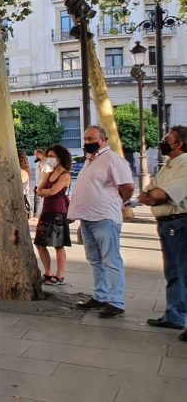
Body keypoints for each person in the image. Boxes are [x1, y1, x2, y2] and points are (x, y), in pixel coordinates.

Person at [68, 126, 134, 318]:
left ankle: (116, 301)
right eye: (85, 139)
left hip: (105, 218)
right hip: (87, 218)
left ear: (103, 140)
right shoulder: (90, 160)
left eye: (91, 139)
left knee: (111, 260)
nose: (87, 142)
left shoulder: (112, 159)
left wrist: (120, 201)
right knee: (95, 260)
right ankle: (100, 296)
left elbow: (127, 186)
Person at [138, 126, 187, 339]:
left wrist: (156, 196)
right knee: (173, 273)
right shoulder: (168, 166)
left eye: (167, 139)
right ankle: (174, 317)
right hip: (166, 224)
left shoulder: (185, 163)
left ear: (179, 144)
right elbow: (147, 193)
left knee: (184, 273)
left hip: (181, 223)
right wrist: (154, 196)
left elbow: (159, 194)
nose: (163, 142)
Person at [34, 145, 73, 285]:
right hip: (46, 211)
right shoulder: (49, 174)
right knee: (40, 243)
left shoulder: (65, 175)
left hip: (58, 212)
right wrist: (44, 191)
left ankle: (60, 275)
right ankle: (48, 272)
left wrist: (45, 192)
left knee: (58, 245)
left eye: (51, 156)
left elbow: (51, 192)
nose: (49, 159)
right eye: (48, 156)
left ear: (60, 158)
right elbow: (38, 190)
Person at [33, 148, 53, 219]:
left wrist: (42, 186)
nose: (35, 156)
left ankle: (43, 216)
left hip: (43, 186)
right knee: (36, 201)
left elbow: (47, 175)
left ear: (40, 154)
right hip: (38, 184)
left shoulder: (46, 162)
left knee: (45, 202)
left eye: (36, 155)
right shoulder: (38, 162)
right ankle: (36, 216)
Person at [18, 150, 32, 217]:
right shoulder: (24, 169)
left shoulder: (22, 171)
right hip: (24, 195)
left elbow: (20, 187)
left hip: (21, 197)